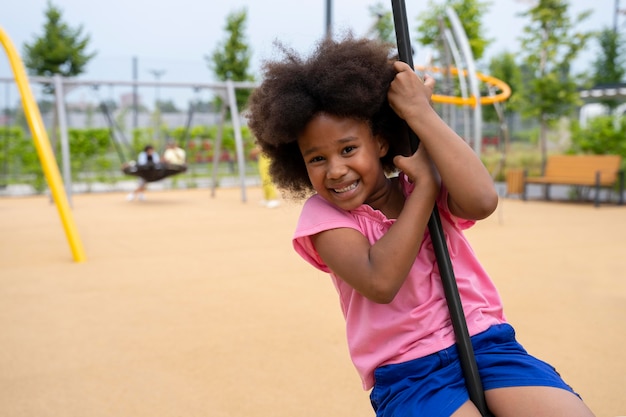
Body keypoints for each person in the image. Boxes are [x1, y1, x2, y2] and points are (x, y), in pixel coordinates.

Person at [246, 36, 595, 417]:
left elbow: (482, 201)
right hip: (410, 372)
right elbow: (380, 281)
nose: (335, 169)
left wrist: (421, 115)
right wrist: (425, 189)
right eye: (316, 158)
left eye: (348, 149)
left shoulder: (415, 182)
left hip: (485, 342)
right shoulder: (325, 217)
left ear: (379, 142)